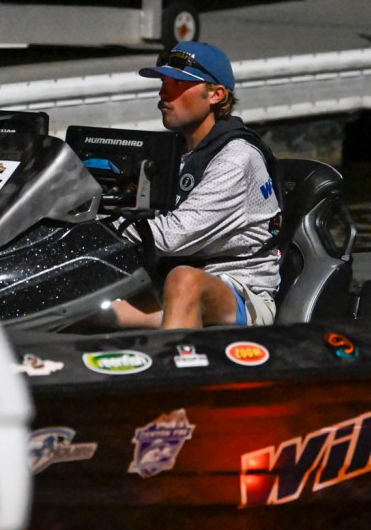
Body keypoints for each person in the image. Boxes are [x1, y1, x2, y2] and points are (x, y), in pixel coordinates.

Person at [111, 41, 281, 329]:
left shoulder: (236, 159)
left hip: (242, 294)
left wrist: (99, 226)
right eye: (163, 83)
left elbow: (172, 237)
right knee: (78, 302)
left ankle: (175, 357)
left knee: (184, 280)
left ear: (216, 95)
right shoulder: (172, 152)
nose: (163, 93)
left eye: (177, 84)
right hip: (164, 283)